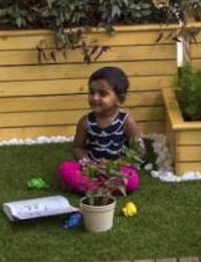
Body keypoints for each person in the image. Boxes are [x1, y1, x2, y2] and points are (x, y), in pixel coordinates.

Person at [58, 66, 143, 195]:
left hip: (116, 170)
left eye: (102, 94)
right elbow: (77, 148)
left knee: (131, 179)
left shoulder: (126, 121)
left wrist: (118, 165)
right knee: (65, 169)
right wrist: (88, 164)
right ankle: (102, 188)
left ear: (120, 100)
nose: (95, 97)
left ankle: (95, 188)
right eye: (92, 92)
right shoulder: (86, 122)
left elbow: (139, 150)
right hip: (92, 169)